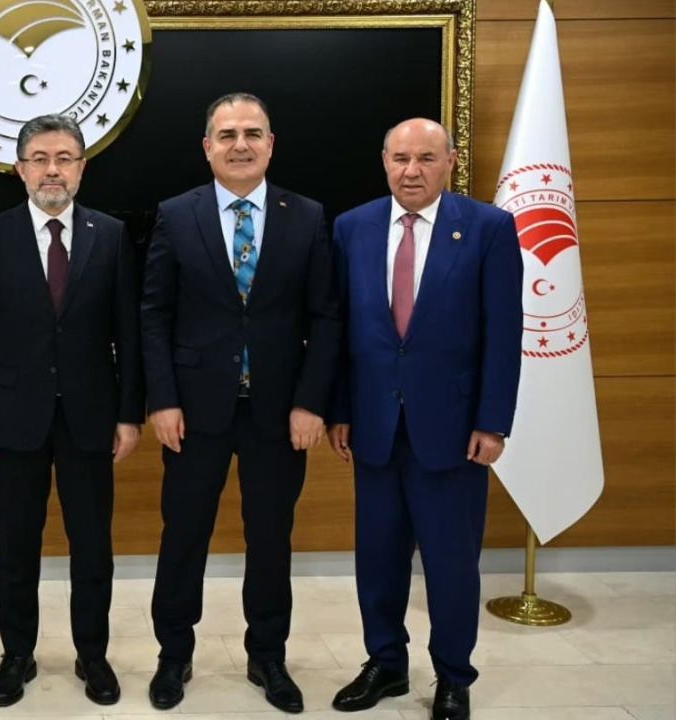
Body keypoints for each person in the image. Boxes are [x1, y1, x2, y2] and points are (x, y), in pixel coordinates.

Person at [140, 92, 340, 713]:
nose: (240, 144)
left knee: (272, 537)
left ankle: (268, 657)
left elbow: (325, 316)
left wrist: (311, 403)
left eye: (253, 133)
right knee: (184, 536)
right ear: (208, 148)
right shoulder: (177, 214)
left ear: (271, 145)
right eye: (227, 135)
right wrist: (162, 399)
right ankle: (174, 654)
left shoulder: (306, 216)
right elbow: (154, 314)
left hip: (279, 414)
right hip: (193, 411)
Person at [326, 118, 522, 720]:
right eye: (401, 158)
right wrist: (340, 410)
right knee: (378, 560)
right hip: (375, 426)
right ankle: (385, 663)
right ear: (384, 162)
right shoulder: (351, 228)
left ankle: (454, 676)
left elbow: (503, 334)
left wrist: (493, 421)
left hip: (455, 431)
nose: (412, 171)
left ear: (450, 162)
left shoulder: (488, 228)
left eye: (426, 159)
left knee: (451, 564)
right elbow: (341, 331)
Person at [0, 115, 144, 708]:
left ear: (82, 168)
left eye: (64, 158)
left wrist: (129, 414)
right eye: (39, 159)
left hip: (92, 416)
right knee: (17, 546)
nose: (52, 170)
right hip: (14, 419)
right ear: (20, 169)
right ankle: (17, 654)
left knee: (92, 546)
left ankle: (93, 653)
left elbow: (129, 332)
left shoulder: (111, 235)